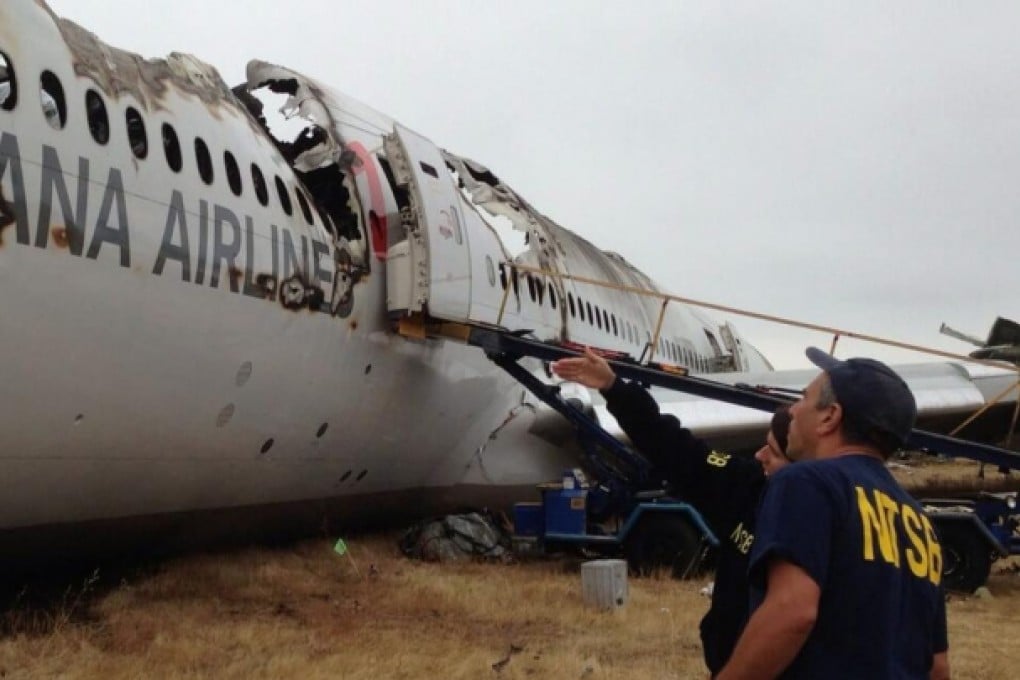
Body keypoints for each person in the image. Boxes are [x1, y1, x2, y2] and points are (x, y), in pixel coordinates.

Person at [551, 348, 793, 677]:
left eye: (774, 452)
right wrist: (613, 387)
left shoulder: (814, 520)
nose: (760, 455)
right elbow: (673, 446)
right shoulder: (745, 484)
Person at [717, 347, 950, 680]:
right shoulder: (919, 522)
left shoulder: (804, 482)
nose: (794, 411)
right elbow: (937, 665)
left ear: (830, 417)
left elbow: (792, 612)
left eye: (803, 397)